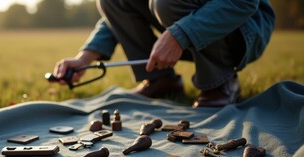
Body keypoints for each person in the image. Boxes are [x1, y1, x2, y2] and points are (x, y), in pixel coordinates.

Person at [51, 0, 275, 108]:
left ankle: (220, 80)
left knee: (165, 2)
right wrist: (84, 58)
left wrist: (181, 33)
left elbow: (243, 2)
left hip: (244, 29)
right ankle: (161, 79)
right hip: (184, 23)